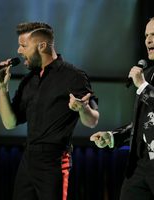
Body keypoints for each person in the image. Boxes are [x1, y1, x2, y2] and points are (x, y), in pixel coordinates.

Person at [0, 22, 99, 200]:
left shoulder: (73, 76)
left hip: (55, 160)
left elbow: (92, 120)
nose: (19, 51)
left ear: (42, 46)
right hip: (28, 159)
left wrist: (83, 108)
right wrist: (2, 89)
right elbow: (10, 123)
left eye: (24, 45)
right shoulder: (29, 80)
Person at [90, 17, 154, 200]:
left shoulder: (143, 81)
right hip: (140, 166)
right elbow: (143, 123)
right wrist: (112, 136)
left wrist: (142, 85)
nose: (148, 40)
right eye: (146, 36)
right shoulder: (148, 75)